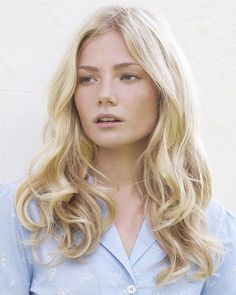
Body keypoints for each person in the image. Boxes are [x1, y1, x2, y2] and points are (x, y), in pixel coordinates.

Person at [0, 5, 236, 295]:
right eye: (87, 78)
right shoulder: (22, 211)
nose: (105, 95)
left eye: (128, 76)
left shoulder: (211, 226)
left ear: (164, 90)